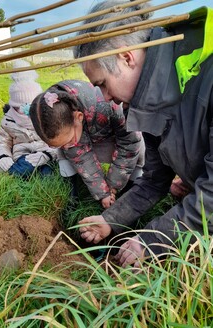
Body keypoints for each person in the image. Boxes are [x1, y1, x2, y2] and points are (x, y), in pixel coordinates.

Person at [72, 0, 213, 267]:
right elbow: (153, 181)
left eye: (102, 84)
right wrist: (109, 220)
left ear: (127, 57)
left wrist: (153, 239)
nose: (105, 98)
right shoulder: (148, 100)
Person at [29, 79, 145, 208]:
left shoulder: (110, 106)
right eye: (57, 145)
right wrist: (103, 193)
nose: (66, 146)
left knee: (140, 151)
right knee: (65, 153)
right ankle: (72, 196)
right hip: (88, 132)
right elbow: (81, 158)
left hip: (113, 135)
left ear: (78, 117)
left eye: (68, 140)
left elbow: (130, 142)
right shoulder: (58, 119)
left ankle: (134, 192)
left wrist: (113, 186)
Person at [0, 60, 57, 179]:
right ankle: (13, 171)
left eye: (28, 107)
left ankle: (15, 172)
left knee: (47, 176)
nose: (24, 112)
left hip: (44, 154)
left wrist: (47, 154)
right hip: (23, 155)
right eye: (18, 107)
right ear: (13, 104)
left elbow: (59, 140)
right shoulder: (8, 120)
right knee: (25, 169)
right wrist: (3, 156)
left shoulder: (47, 116)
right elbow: (2, 142)